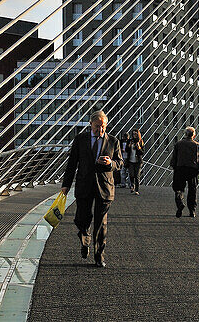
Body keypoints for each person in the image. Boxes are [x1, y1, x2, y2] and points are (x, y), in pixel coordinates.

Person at [61, 109, 123, 268]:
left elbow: (120, 163)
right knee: (82, 219)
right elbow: (72, 163)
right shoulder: (80, 139)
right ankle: (85, 238)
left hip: (104, 187)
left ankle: (99, 256)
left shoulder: (113, 141)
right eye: (97, 126)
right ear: (90, 124)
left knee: (101, 223)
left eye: (103, 127)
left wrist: (111, 163)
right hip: (84, 184)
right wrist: (66, 185)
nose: (100, 130)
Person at [169, 126, 199, 217]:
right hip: (192, 170)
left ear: (185, 134)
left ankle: (180, 202)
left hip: (180, 168)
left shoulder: (178, 144)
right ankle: (192, 211)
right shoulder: (197, 146)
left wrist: (173, 166)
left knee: (178, 188)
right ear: (194, 135)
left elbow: (174, 158)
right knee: (192, 190)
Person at [123, 129, 145, 194]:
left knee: (137, 176)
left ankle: (137, 190)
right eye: (133, 134)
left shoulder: (140, 141)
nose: (134, 135)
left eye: (135, 134)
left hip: (138, 161)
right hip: (130, 161)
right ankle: (132, 186)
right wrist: (128, 146)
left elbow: (142, 152)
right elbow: (127, 150)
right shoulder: (130, 141)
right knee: (131, 175)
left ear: (138, 134)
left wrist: (139, 148)